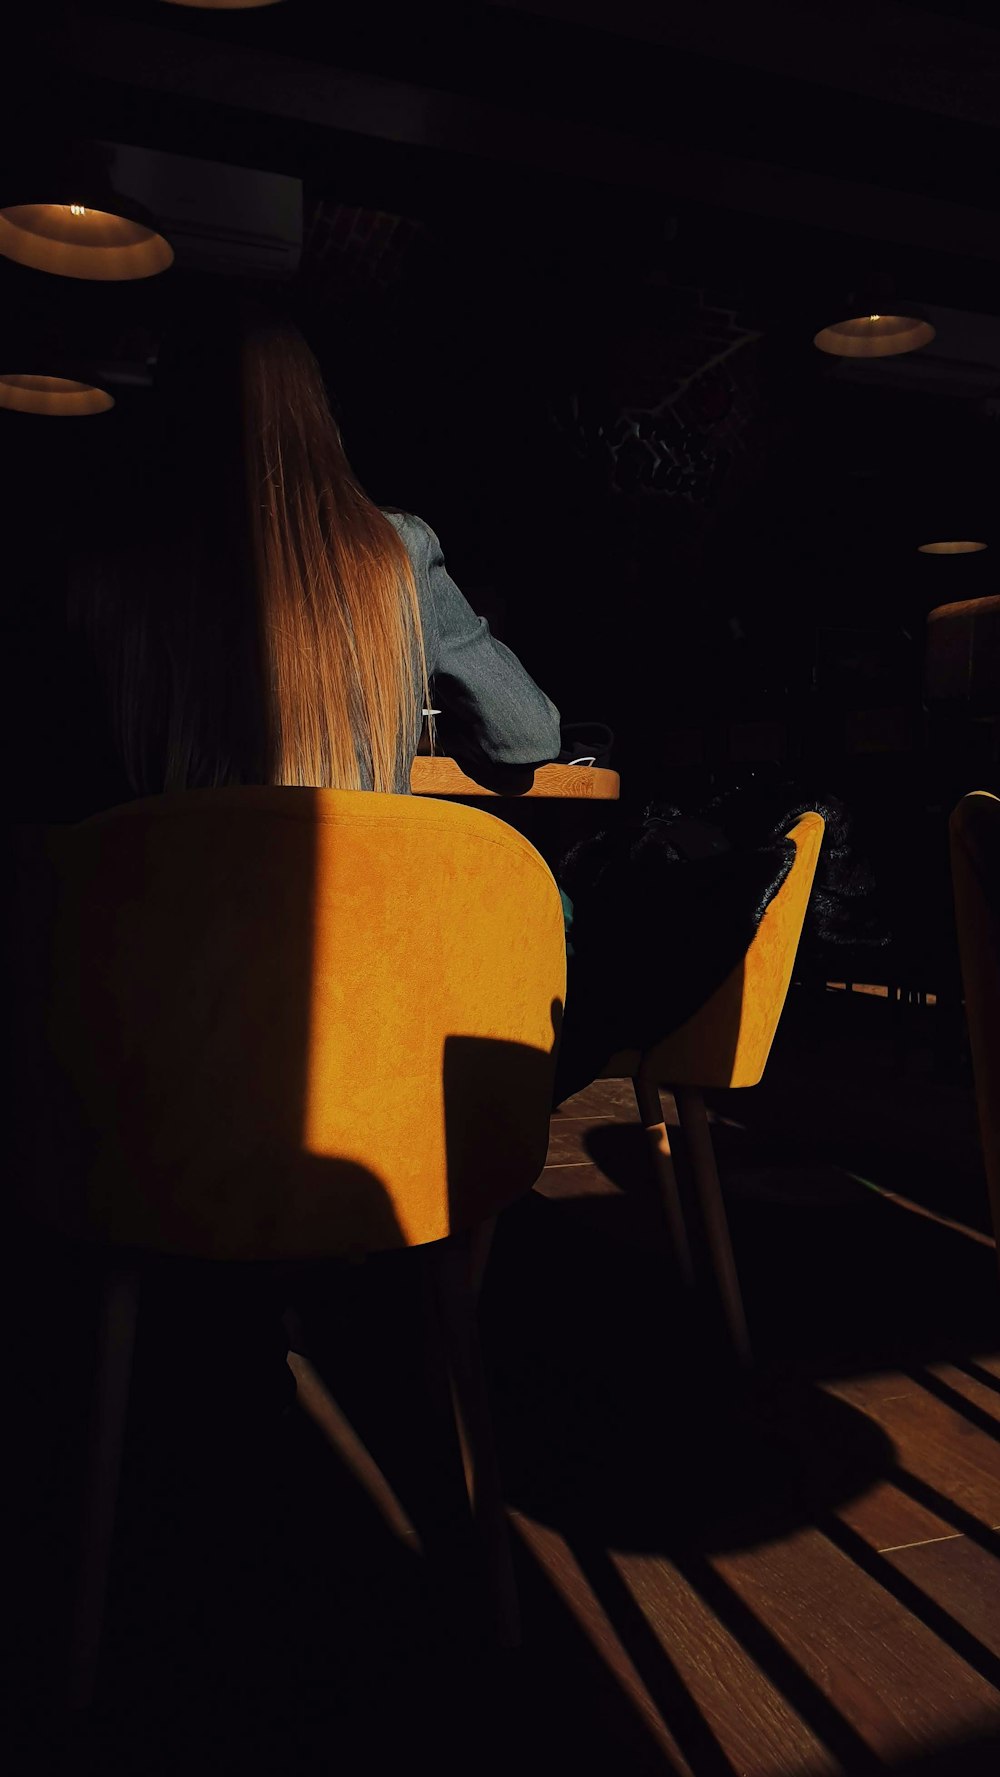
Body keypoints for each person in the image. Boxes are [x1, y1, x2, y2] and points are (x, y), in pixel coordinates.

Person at [74, 305, 561, 805]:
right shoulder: (398, 550)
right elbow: (525, 737)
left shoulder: (110, 574)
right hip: (361, 878)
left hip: (172, 879)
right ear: (312, 411)